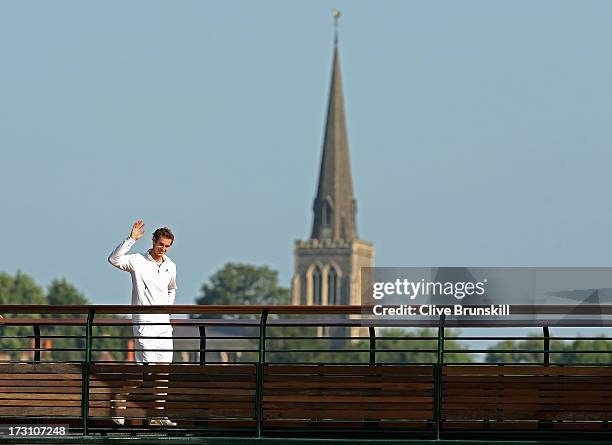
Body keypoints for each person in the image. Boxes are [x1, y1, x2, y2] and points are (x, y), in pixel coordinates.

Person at [108, 220, 178, 427]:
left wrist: (167, 307)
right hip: (144, 323)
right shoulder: (137, 261)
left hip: (164, 325)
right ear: (153, 241)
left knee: (163, 371)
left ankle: (157, 414)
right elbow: (113, 259)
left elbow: (172, 288)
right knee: (146, 369)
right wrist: (130, 240)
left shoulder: (171, 266)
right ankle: (120, 398)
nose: (163, 249)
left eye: (166, 246)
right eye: (160, 245)